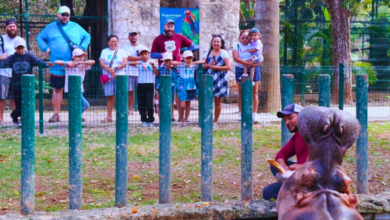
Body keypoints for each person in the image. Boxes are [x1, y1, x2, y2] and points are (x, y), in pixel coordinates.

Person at [36, 6, 91, 123]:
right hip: (58, 65)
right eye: (63, 14)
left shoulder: (76, 27)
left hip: (74, 66)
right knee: (57, 89)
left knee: (75, 90)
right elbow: (39, 37)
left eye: (67, 15)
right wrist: (45, 48)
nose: (65, 17)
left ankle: (76, 113)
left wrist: (82, 48)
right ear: (58, 14)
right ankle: (56, 114)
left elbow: (87, 36)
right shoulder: (50, 27)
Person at [151, 19, 197, 121]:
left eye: (172, 26)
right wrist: (162, 54)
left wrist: (183, 54)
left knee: (177, 92)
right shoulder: (158, 39)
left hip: (178, 68)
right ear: (164, 27)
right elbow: (152, 54)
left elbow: (192, 45)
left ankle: (177, 116)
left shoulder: (179, 37)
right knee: (167, 93)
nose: (170, 28)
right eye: (168, 26)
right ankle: (169, 115)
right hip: (164, 69)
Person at [0, 38, 53, 126]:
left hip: (27, 85)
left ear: (25, 47)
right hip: (16, 84)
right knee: (18, 103)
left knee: (25, 102)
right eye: (18, 48)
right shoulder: (12, 57)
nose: (21, 50)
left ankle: (18, 118)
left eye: (22, 48)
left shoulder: (29, 56)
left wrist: (46, 64)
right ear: (15, 49)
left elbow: (38, 61)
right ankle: (15, 116)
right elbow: (4, 63)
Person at [262, 103, 309, 200]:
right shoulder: (297, 136)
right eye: (285, 120)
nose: (287, 122)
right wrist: (283, 167)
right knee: (274, 165)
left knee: (267, 193)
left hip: (314, 178)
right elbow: (281, 154)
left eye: (290, 118)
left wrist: (303, 166)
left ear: (302, 116)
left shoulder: (314, 133)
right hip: (300, 175)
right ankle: (291, 186)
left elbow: (326, 160)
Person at [54, 48, 95, 122]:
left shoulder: (83, 65)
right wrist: (66, 63)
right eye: (79, 56)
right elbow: (56, 61)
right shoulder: (69, 64)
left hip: (80, 88)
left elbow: (93, 61)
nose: (81, 58)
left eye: (82, 56)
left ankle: (76, 117)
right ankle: (75, 116)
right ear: (74, 57)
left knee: (78, 104)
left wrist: (81, 63)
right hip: (71, 89)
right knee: (85, 104)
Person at [233, 30, 263, 123]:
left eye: (247, 37)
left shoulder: (254, 45)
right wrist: (246, 63)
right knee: (241, 92)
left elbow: (261, 57)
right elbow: (236, 58)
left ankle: (254, 114)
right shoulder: (237, 46)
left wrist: (255, 64)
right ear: (239, 38)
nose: (245, 39)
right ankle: (240, 113)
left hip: (254, 68)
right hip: (240, 69)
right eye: (243, 37)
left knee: (255, 92)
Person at [202, 34, 231, 126]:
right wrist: (209, 65)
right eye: (214, 41)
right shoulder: (207, 53)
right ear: (211, 42)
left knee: (218, 101)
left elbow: (228, 67)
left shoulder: (224, 53)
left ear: (221, 43)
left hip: (220, 80)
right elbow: (202, 66)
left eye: (218, 41)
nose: (216, 43)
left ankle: (215, 120)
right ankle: (207, 118)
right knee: (207, 100)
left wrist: (215, 67)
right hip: (209, 79)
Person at [0, 18, 24, 124]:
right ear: (6, 27)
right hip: (3, 72)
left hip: (17, 72)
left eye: (14, 26)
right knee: (2, 97)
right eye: (10, 26)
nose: (12, 28)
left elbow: (25, 54)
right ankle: (0, 119)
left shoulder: (20, 40)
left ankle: (17, 118)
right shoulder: (1, 39)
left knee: (16, 97)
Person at [99, 35, 128, 123]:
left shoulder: (122, 51)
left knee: (121, 97)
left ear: (117, 42)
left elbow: (124, 63)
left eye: (115, 41)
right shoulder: (104, 51)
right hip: (108, 77)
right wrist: (111, 71)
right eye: (111, 41)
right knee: (110, 97)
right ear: (108, 42)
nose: (113, 43)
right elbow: (102, 63)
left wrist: (116, 69)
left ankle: (121, 116)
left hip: (120, 77)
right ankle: (109, 116)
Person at [129, 46, 157, 127]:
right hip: (141, 84)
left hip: (150, 84)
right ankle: (144, 120)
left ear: (148, 54)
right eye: (142, 54)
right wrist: (141, 62)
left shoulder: (152, 62)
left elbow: (156, 73)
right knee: (141, 104)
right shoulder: (139, 63)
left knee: (149, 103)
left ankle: (151, 120)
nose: (144, 56)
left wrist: (154, 66)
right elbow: (131, 63)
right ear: (140, 56)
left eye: (146, 54)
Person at [175, 50, 204, 126]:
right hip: (182, 86)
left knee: (188, 104)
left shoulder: (193, 66)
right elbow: (172, 63)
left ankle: (186, 119)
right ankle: (181, 119)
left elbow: (203, 61)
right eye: (187, 58)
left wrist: (192, 63)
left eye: (190, 58)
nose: (188, 60)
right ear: (183, 58)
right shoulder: (180, 65)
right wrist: (182, 63)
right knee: (182, 104)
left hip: (191, 86)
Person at [123, 31, 145, 115]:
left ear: (137, 37)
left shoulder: (142, 47)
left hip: (141, 73)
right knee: (130, 92)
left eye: (135, 35)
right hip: (130, 72)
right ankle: (131, 109)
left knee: (141, 92)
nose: (133, 37)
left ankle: (141, 109)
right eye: (131, 36)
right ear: (129, 38)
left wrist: (140, 58)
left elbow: (146, 56)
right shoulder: (126, 47)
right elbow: (128, 58)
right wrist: (140, 58)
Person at [155, 53, 178, 121]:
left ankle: (171, 115)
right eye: (166, 61)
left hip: (171, 87)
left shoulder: (174, 69)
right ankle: (161, 117)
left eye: (169, 60)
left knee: (171, 101)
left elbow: (175, 78)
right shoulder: (160, 68)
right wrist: (157, 89)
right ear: (163, 61)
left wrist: (170, 69)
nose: (167, 62)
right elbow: (157, 78)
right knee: (161, 102)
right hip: (162, 87)